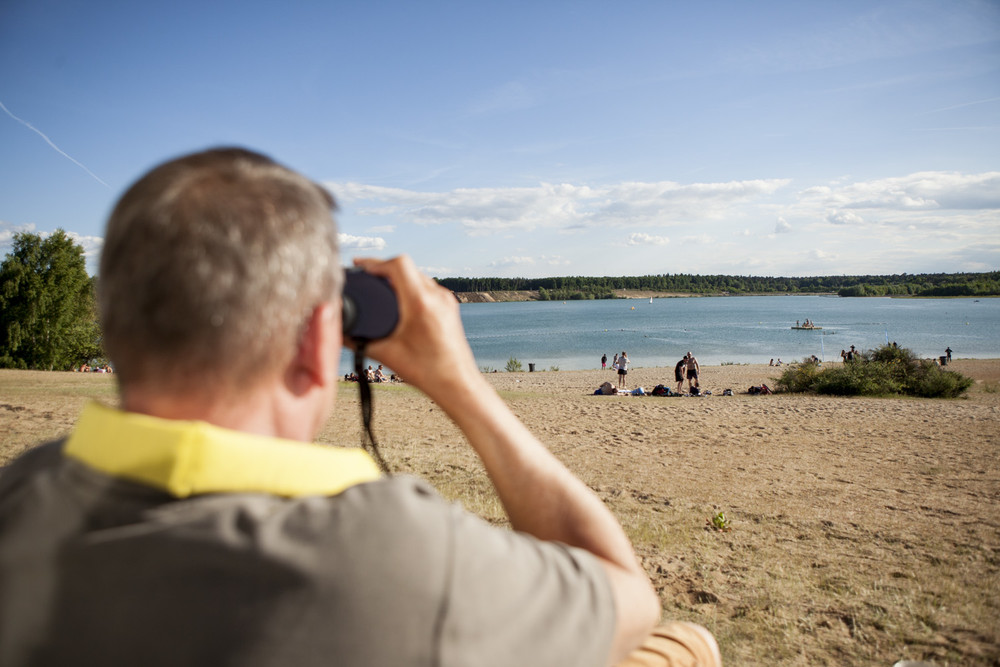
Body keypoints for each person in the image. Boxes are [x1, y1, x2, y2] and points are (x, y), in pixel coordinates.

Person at [0, 149, 719, 666]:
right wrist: (461, 382)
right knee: (683, 646)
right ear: (321, 336)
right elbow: (625, 591)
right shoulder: (395, 551)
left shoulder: (21, 492)